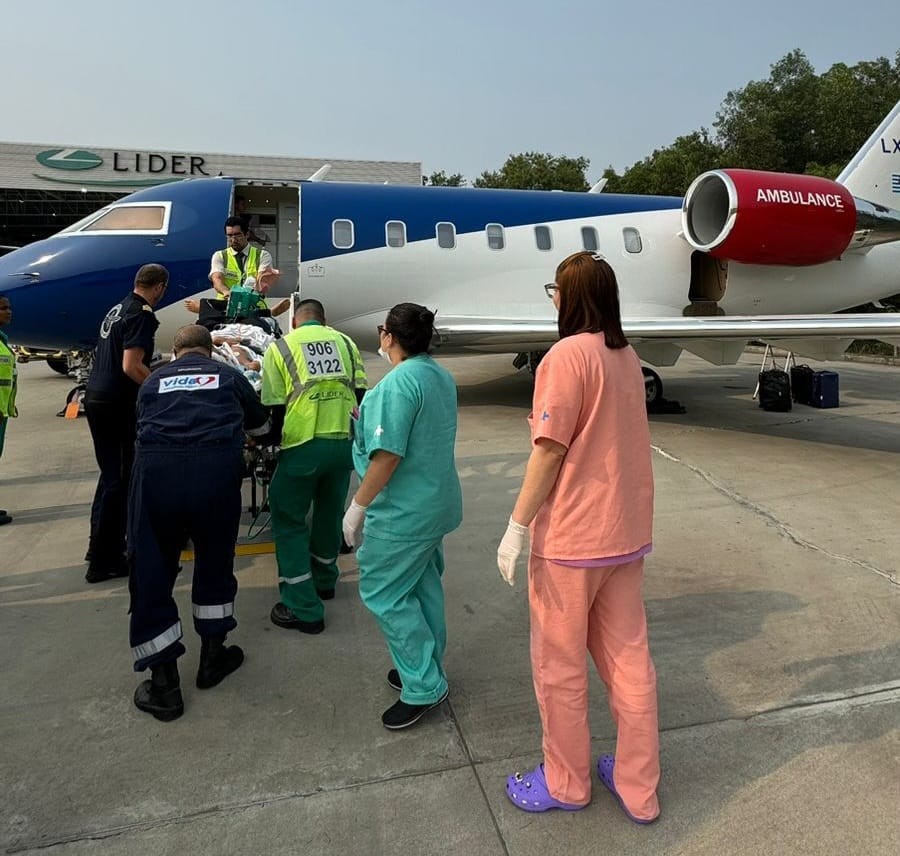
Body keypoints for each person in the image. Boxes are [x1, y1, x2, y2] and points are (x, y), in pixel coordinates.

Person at [497, 252, 659, 821]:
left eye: (555, 288)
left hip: (571, 541)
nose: (552, 298)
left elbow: (550, 452)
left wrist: (517, 526)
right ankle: (640, 787)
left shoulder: (566, 356)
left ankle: (567, 781)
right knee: (628, 660)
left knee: (559, 666)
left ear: (569, 296)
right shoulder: (626, 355)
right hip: (625, 533)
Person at [128, 325, 271, 722]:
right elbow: (260, 427)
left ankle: (164, 685)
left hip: (157, 475)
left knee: (152, 570)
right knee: (214, 560)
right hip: (214, 475)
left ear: (175, 353)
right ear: (211, 351)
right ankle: (213, 658)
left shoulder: (153, 381)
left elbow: (141, 426)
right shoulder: (230, 376)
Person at [342, 303, 462, 730]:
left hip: (404, 512)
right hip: (435, 504)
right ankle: (424, 664)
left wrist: (358, 507)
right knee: (422, 584)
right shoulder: (437, 376)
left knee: (384, 592)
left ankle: (424, 684)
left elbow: (387, 455)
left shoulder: (395, 387)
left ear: (389, 336)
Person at [262, 299, 366, 634]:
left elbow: (275, 407)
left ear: (295, 321)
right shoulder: (346, 343)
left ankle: (303, 607)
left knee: (290, 520)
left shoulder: (282, 346)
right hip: (342, 444)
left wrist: (274, 445)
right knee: (328, 513)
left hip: (303, 444)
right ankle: (324, 580)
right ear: (325, 320)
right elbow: (360, 391)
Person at [83, 263, 169, 583]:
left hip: (97, 396)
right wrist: (161, 389)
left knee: (109, 478)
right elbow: (132, 366)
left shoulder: (119, 308)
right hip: (117, 404)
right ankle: (106, 561)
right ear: (160, 287)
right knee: (120, 482)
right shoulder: (142, 314)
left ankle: (98, 549)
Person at [0, 295, 18, 526]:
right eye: (3, 308)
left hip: (2, 411)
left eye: (9, 308)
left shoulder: (3, 340)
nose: (8, 311)